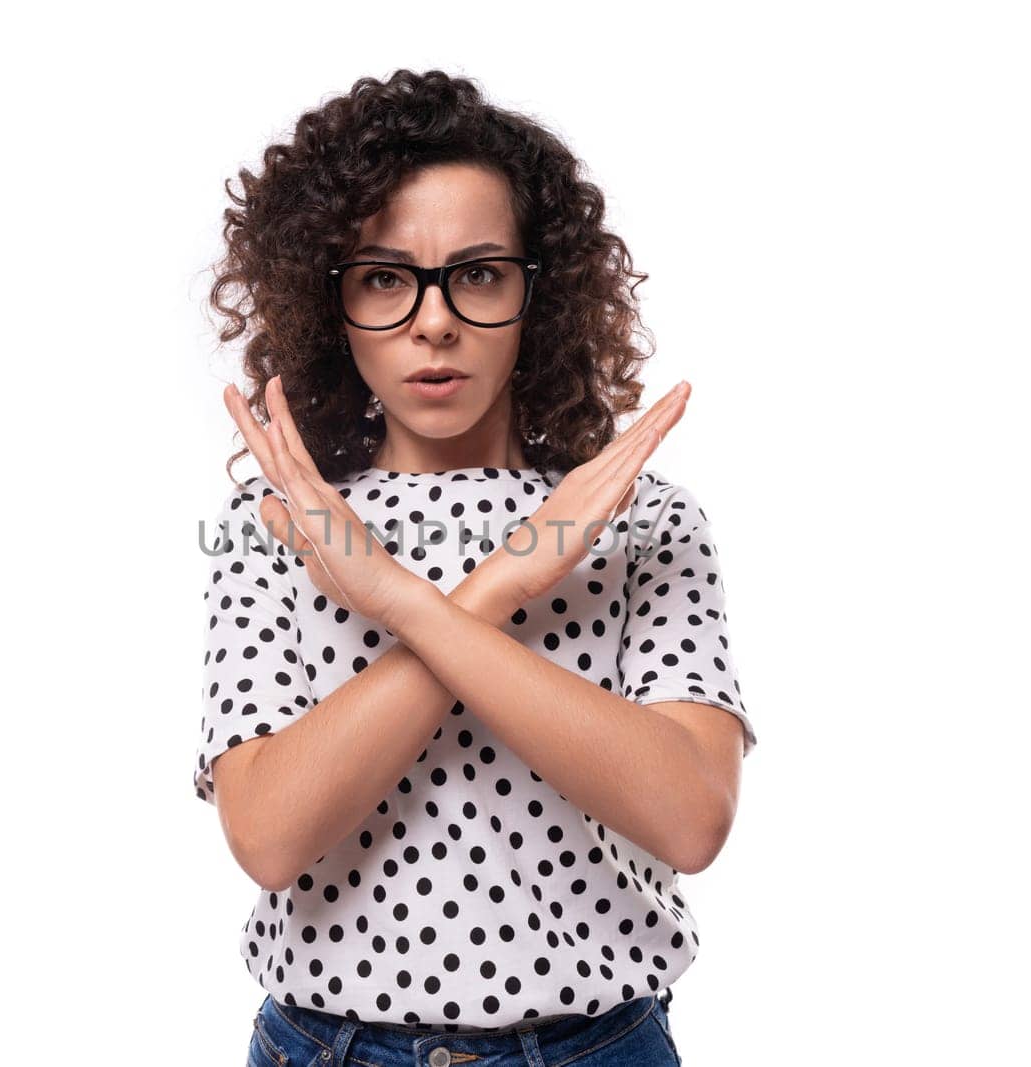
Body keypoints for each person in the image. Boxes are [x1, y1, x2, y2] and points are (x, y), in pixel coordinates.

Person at [194, 69, 755, 1067]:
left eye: (479, 272)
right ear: (332, 304)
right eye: (383, 277)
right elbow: (271, 833)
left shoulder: (641, 519)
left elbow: (690, 817)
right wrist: (499, 587)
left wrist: (399, 597)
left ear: (539, 293)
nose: (434, 320)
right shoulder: (276, 525)